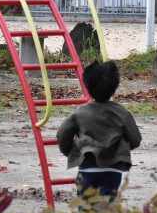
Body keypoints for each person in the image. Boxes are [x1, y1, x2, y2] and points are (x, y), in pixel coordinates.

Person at [56, 60, 142, 202]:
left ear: (87, 86)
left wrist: (73, 152)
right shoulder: (122, 112)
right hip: (112, 170)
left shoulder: (80, 112)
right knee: (106, 206)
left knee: (85, 206)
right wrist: (121, 149)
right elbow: (135, 139)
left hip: (87, 167)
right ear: (114, 87)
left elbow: (62, 134)